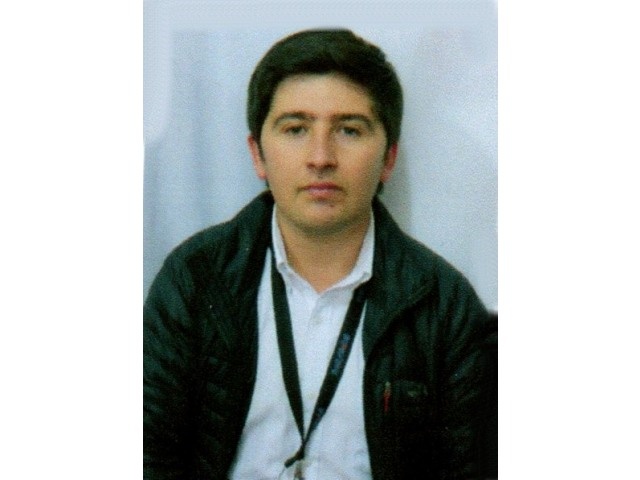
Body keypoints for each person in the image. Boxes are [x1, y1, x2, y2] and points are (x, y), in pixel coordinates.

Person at [144, 28, 490, 479]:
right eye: (296, 129)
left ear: (388, 159)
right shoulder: (194, 278)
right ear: (257, 155)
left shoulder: (446, 306)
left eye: (349, 130)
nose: (321, 157)